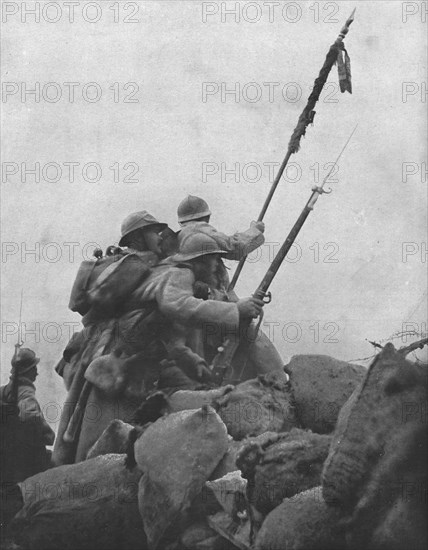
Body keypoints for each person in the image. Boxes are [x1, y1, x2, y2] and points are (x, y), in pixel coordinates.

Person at [0, 346, 54, 483]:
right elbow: (30, 417)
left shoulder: (3, 390)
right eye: (34, 368)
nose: (37, 373)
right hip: (25, 458)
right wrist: (48, 435)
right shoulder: (26, 392)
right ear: (27, 371)